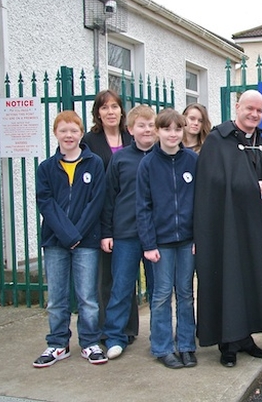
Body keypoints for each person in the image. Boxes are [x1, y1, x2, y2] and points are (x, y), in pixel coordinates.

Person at [193, 90, 262, 368]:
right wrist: (250, 188)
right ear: (237, 107)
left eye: (259, 111)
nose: (254, 114)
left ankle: (246, 337)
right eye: (249, 108)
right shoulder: (217, 140)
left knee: (252, 279)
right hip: (227, 227)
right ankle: (228, 343)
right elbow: (213, 183)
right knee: (231, 280)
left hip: (257, 226)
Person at [33, 110, 107, 367]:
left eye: (74, 130)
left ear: (81, 133)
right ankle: (57, 344)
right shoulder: (46, 168)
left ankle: (89, 342)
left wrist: (76, 235)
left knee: (87, 296)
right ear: (55, 133)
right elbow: (46, 203)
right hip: (55, 242)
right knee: (57, 297)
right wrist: (66, 235)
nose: (69, 135)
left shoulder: (95, 163)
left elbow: (96, 202)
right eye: (63, 130)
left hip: (86, 241)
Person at [136, 108, 198, 369]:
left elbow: (200, 201)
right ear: (158, 131)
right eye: (167, 129)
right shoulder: (148, 164)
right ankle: (162, 347)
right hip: (160, 243)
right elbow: (143, 207)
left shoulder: (192, 161)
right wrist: (148, 244)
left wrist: (198, 237)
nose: (172, 134)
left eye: (177, 129)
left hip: (187, 240)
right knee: (161, 294)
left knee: (185, 293)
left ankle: (186, 345)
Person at [100, 105, 157, 360]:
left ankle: (160, 335)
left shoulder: (164, 157)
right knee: (121, 287)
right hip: (125, 234)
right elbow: (109, 198)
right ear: (130, 129)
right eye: (141, 125)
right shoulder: (120, 159)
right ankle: (115, 336)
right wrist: (106, 232)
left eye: (151, 125)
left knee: (159, 290)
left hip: (157, 236)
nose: (147, 130)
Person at [82, 90, 136, 345]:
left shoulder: (131, 136)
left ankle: (128, 328)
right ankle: (107, 328)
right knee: (108, 277)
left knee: (127, 276)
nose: (111, 112)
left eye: (115, 106)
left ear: (122, 111)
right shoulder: (90, 141)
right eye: (105, 108)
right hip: (103, 214)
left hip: (131, 215)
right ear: (98, 113)